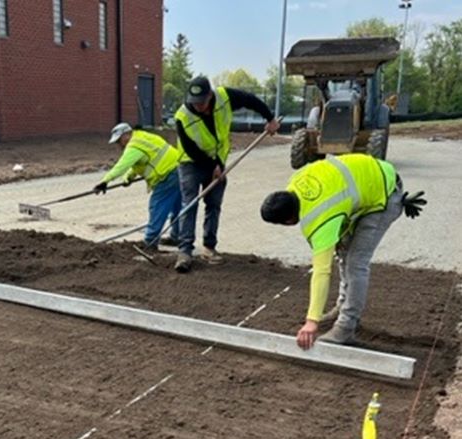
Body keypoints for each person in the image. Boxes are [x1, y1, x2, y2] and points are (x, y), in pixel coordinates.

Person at [260, 153, 427, 348]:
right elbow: (341, 199)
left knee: (356, 263)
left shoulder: (318, 218)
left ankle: (346, 327)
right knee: (343, 251)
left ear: (288, 220)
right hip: (372, 178)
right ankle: (342, 306)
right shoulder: (296, 182)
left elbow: (321, 271)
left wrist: (311, 322)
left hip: (385, 196)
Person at [173, 76, 280, 273]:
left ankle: (209, 247)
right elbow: (190, 149)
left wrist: (270, 118)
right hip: (191, 163)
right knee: (189, 203)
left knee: (214, 204)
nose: (198, 107)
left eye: (202, 103)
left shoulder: (224, 97)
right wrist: (213, 165)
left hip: (218, 161)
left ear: (210, 95)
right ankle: (185, 251)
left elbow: (251, 100)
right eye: (195, 103)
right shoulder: (182, 116)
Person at [93, 123, 182, 251]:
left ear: (126, 135)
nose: (119, 145)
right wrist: (129, 177)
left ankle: (150, 242)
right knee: (176, 206)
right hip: (179, 169)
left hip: (167, 174)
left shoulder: (133, 145)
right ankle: (177, 236)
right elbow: (141, 162)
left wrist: (105, 181)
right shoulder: (142, 137)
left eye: (119, 141)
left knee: (157, 206)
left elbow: (122, 165)